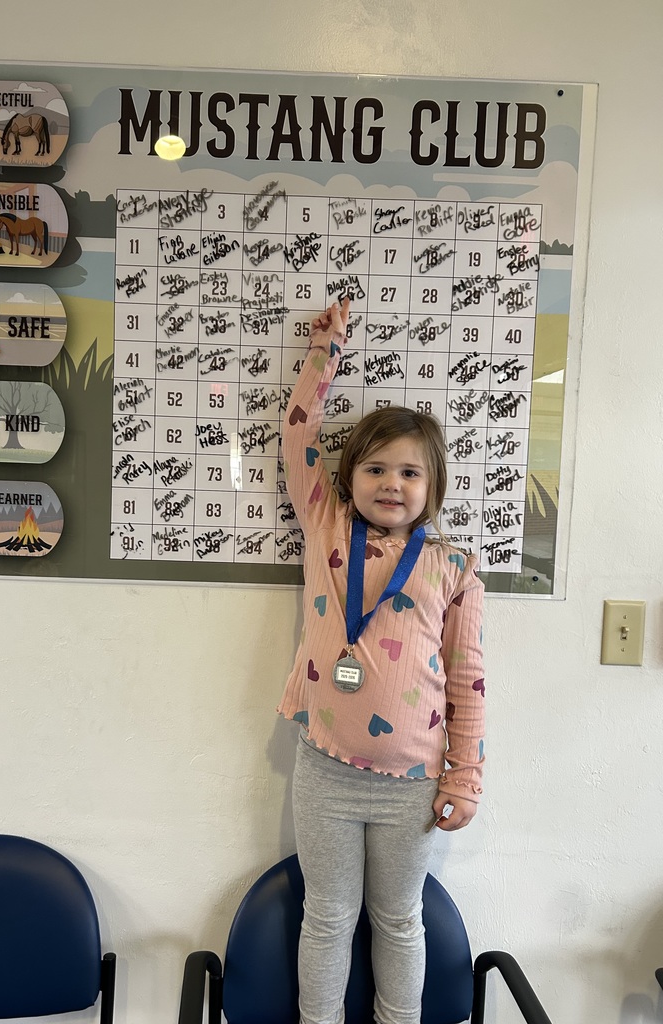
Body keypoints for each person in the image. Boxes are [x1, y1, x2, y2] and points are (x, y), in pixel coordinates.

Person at [278, 298, 485, 1024]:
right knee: (327, 917)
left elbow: (467, 681)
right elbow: (298, 433)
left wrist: (466, 773)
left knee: (400, 921)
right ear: (350, 477)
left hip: (414, 783)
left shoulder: (453, 565)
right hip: (325, 765)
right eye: (374, 468)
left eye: (409, 473)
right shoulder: (328, 526)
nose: (391, 484)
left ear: (433, 488)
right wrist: (324, 354)